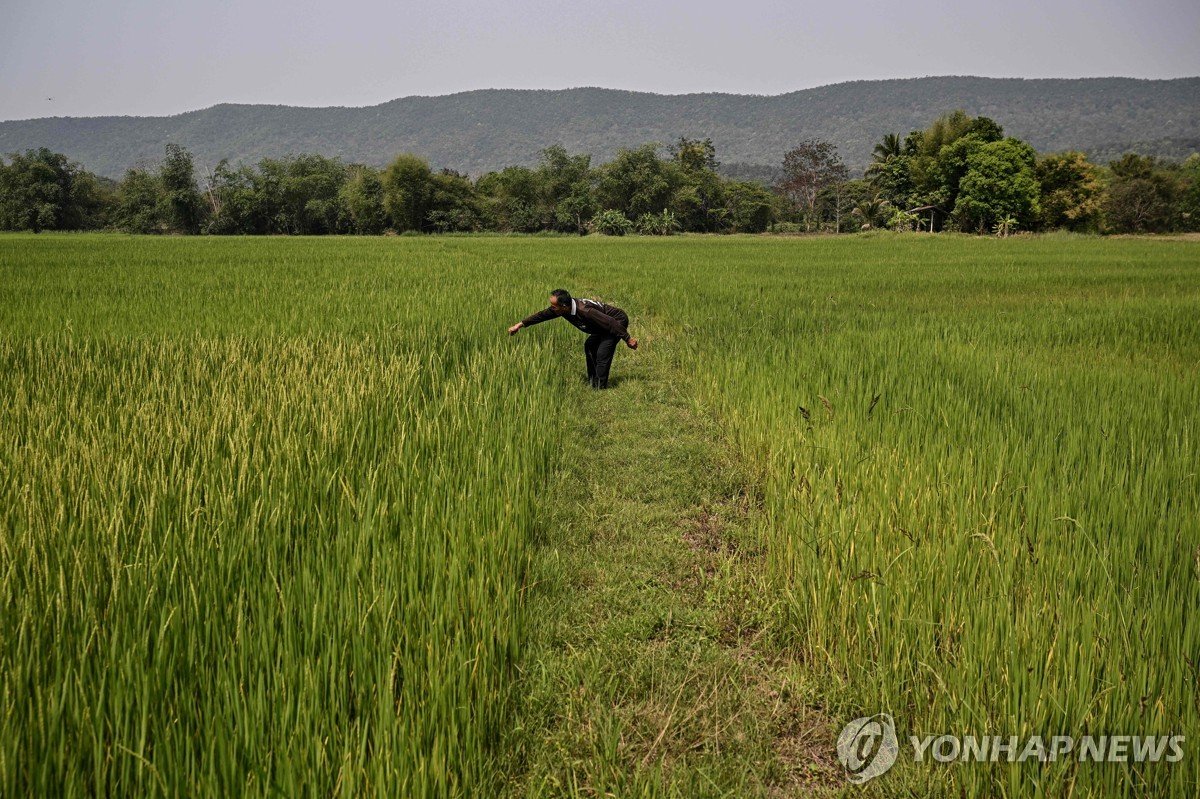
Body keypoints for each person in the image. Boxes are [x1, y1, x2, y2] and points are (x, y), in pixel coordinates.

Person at [508, 289, 638, 389]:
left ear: (564, 306)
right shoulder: (562, 309)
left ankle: (600, 387)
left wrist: (628, 339)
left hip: (616, 321)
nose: (552, 309)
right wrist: (519, 325)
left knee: (603, 352)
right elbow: (542, 315)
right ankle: (593, 381)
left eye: (554, 306)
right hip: (601, 325)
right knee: (590, 346)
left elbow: (610, 322)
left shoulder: (585, 311)